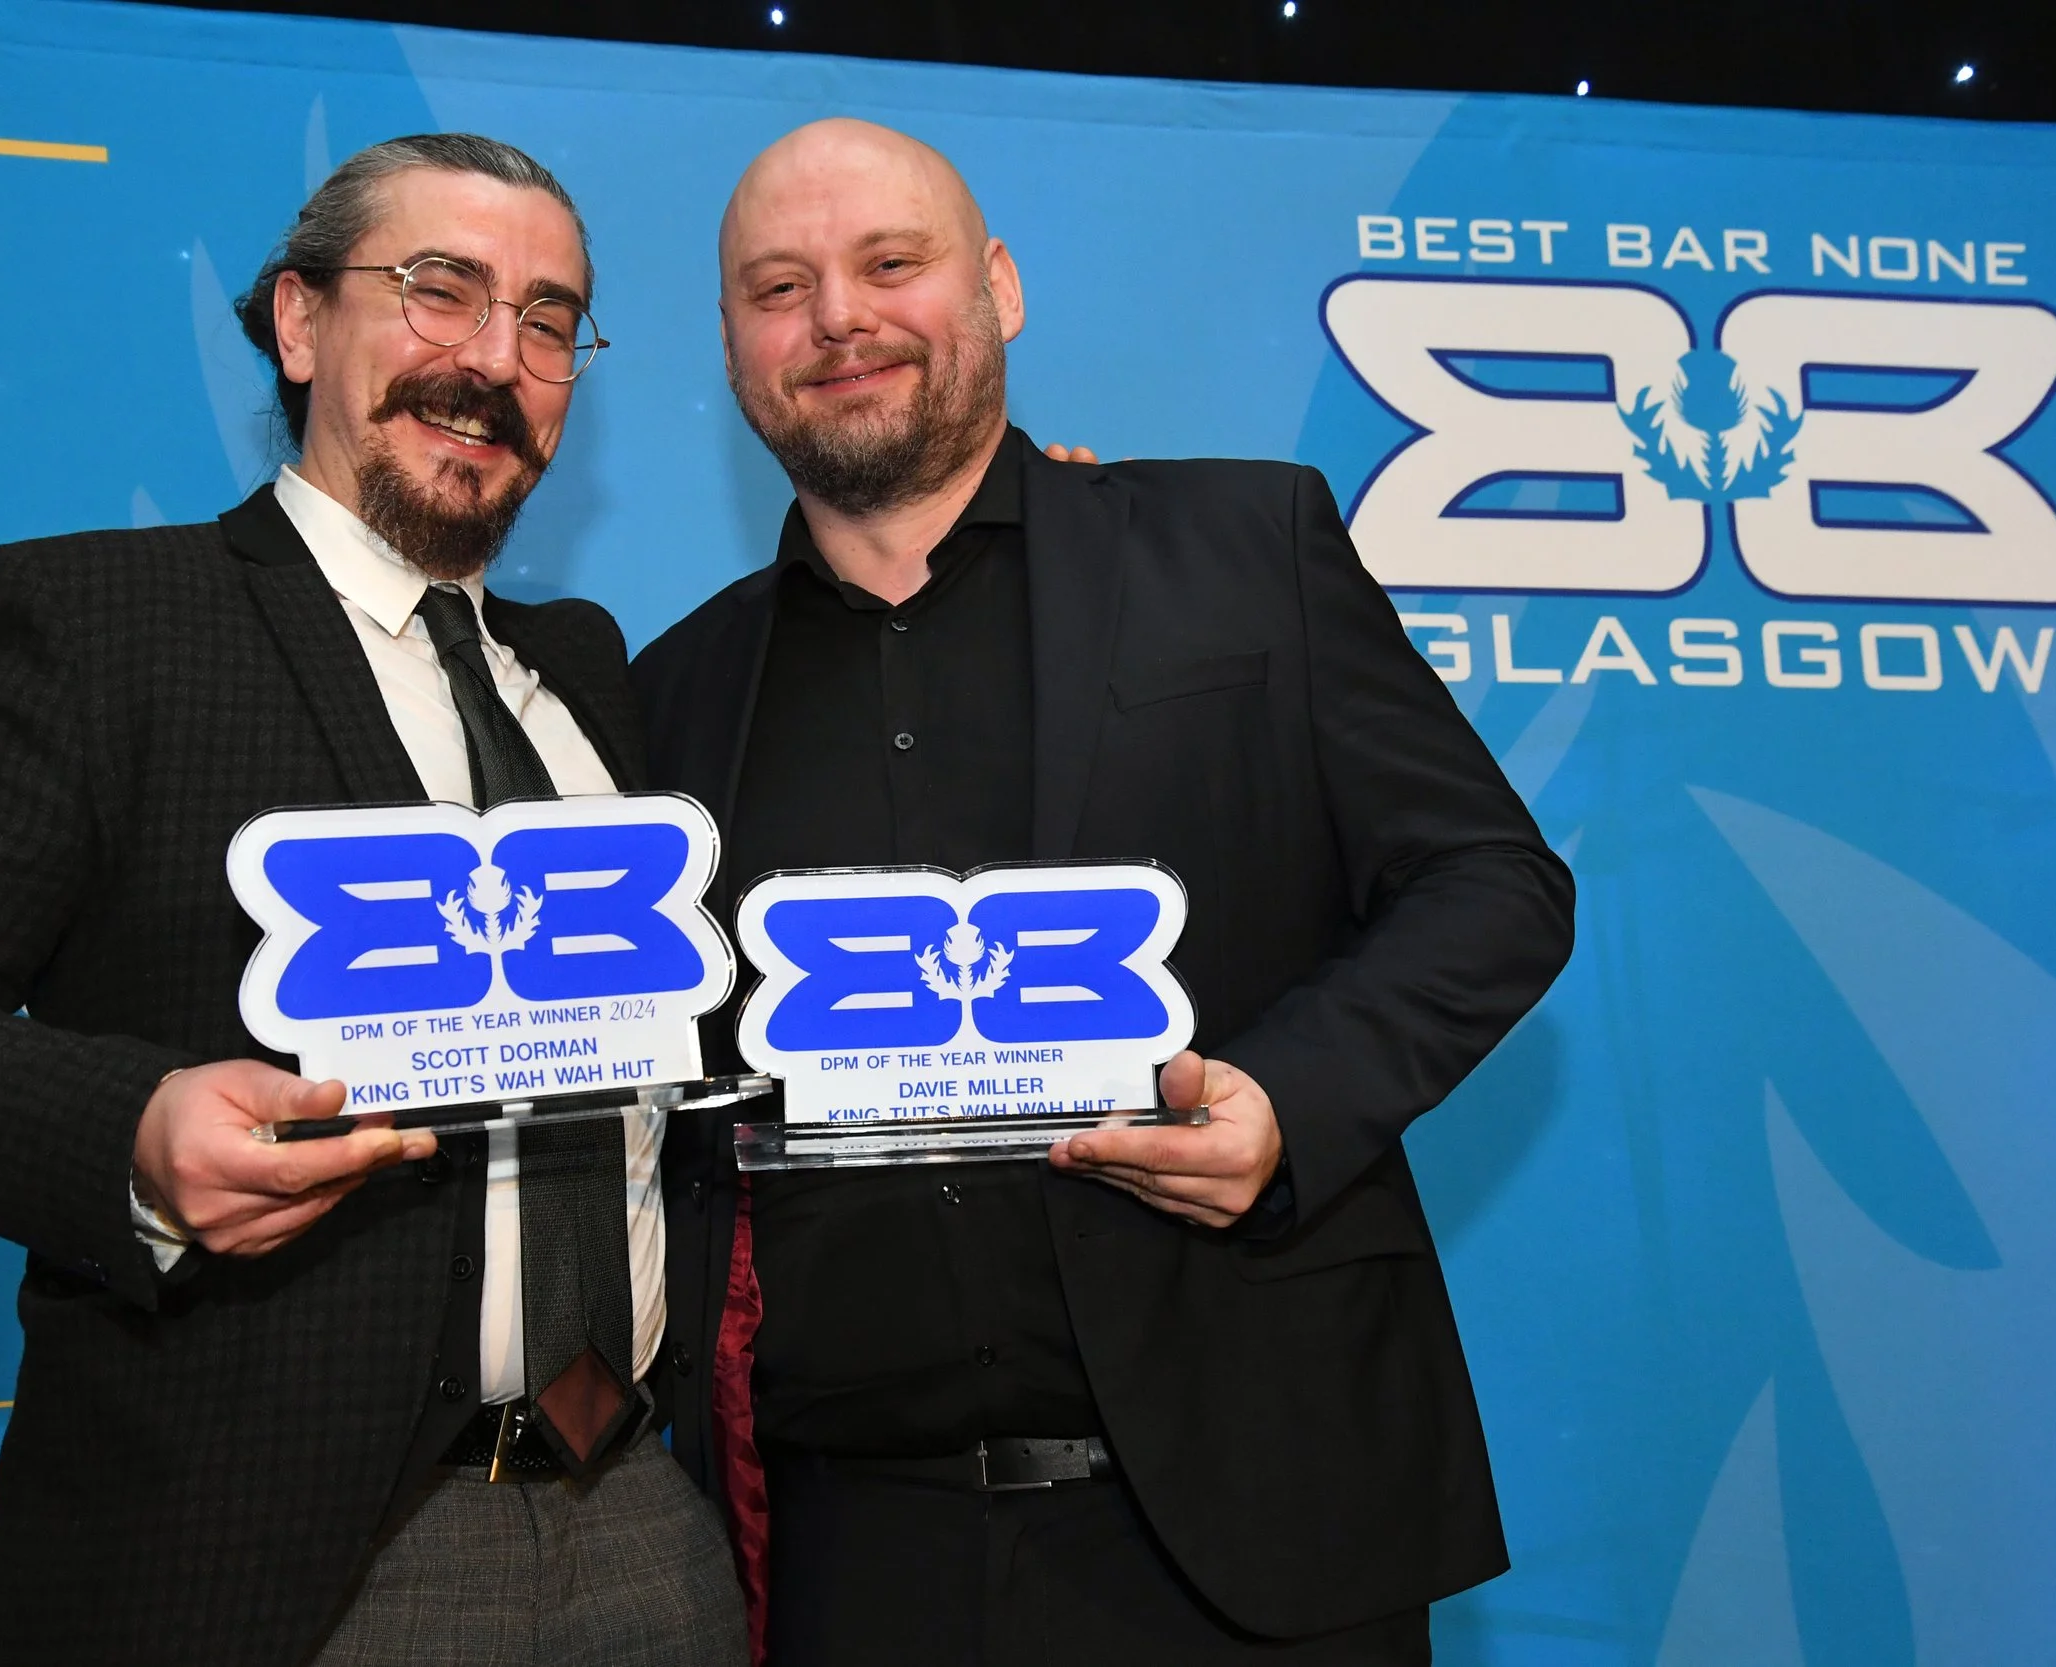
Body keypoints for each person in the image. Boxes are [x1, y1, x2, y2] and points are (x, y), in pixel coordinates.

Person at [0, 134, 743, 1667]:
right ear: (297, 320)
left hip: (641, 1527)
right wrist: (136, 1130)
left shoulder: (590, 670)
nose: (495, 359)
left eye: (548, 320)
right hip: (287, 1561)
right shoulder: (99, 621)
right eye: (441, 290)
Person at [632, 117, 1576, 1665]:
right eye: (779, 287)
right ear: (733, 342)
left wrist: (1286, 1104)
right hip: (851, 1559)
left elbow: (1492, 882)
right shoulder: (671, 697)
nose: (839, 318)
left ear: (998, 286)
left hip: (1252, 1531)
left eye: (891, 263)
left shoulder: (1246, 546)